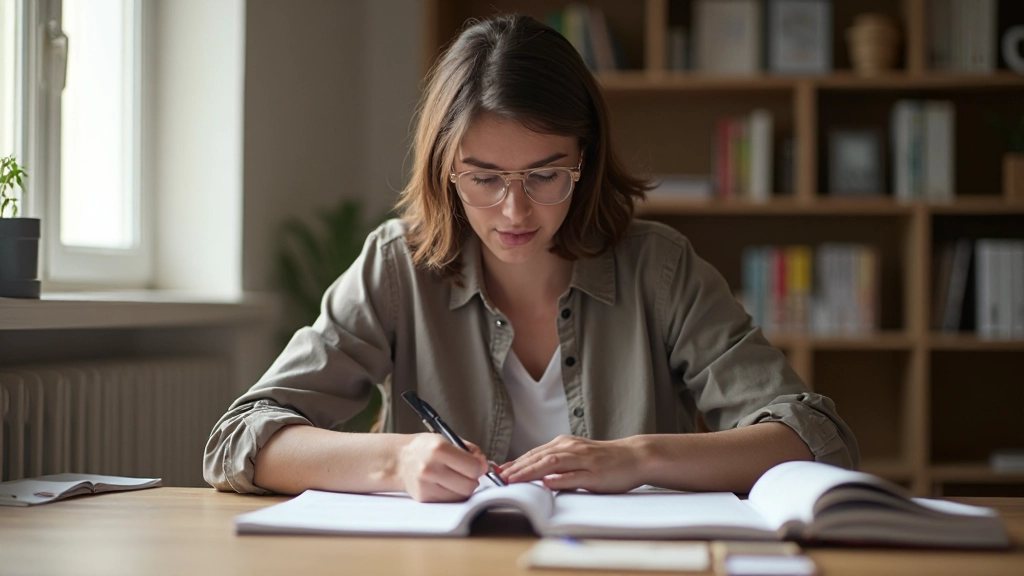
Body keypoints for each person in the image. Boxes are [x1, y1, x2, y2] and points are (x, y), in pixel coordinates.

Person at [203, 14, 858, 503]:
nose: (514, 212)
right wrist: (395, 463)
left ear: (585, 161)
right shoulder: (398, 265)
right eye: (484, 178)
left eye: (545, 176)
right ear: (444, 172)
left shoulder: (659, 268)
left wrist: (637, 458)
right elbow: (240, 439)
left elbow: (814, 436)